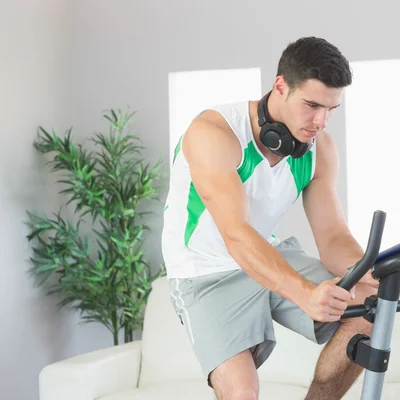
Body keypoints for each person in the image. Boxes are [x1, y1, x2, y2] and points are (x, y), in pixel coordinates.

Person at [161, 36, 379, 400]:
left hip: (268, 253)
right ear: (280, 86)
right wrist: (306, 294)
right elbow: (237, 235)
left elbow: (332, 236)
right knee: (241, 392)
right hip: (204, 272)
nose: (321, 121)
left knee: (367, 307)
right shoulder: (213, 133)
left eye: (331, 109)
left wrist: (368, 269)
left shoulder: (318, 149)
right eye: (311, 105)